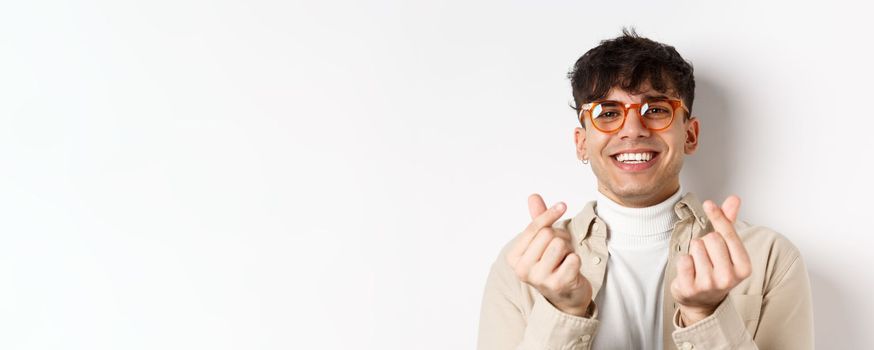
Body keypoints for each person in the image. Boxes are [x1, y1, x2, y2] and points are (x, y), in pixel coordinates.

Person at [476, 29, 814, 350]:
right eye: (608, 113)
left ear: (690, 135)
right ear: (581, 143)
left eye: (655, 110)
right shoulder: (524, 266)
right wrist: (563, 311)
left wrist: (706, 315)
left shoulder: (770, 258)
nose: (633, 129)